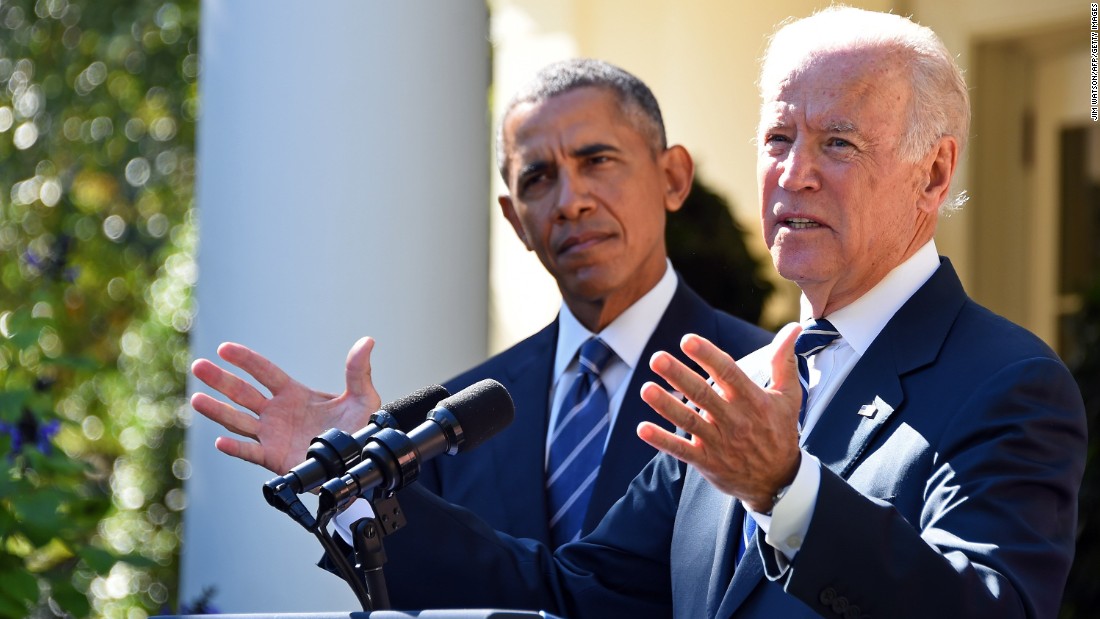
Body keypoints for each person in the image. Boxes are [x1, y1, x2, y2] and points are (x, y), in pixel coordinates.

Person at [356, 7, 1085, 618]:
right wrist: (362, 495)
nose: (794, 174)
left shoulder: (1009, 383)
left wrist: (790, 492)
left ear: (932, 172)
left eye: (837, 142)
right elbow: (571, 596)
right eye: (777, 139)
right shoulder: (730, 388)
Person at [189, 59, 771, 549]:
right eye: (539, 178)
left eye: (597, 161)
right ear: (515, 219)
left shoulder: (765, 381)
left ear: (672, 177)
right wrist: (356, 479)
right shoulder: (456, 420)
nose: (571, 202)